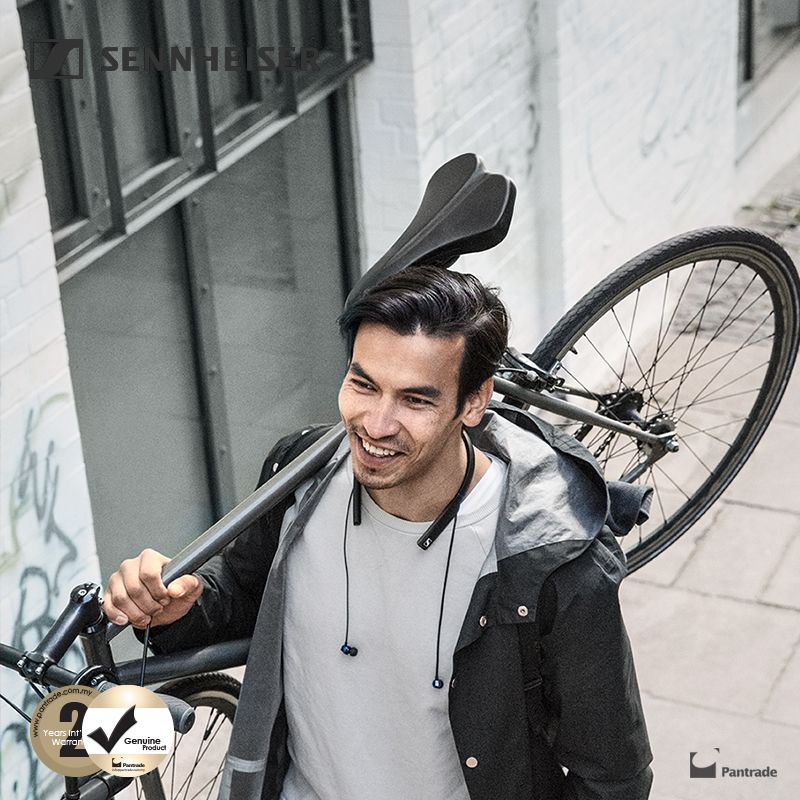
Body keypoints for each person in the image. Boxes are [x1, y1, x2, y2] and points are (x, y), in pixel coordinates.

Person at [104, 265, 653, 800]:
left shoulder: (553, 560)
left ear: (474, 401)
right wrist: (177, 608)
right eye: (363, 385)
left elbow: (612, 776)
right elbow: (241, 595)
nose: (376, 424)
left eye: (415, 400)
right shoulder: (300, 476)